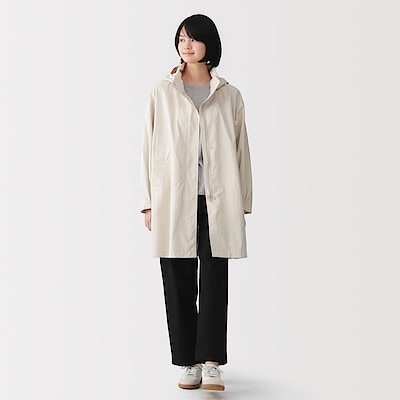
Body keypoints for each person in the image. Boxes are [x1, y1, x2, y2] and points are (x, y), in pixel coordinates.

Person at [139, 14, 252, 391]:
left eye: (193, 39)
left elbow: (241, 150)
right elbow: (148, 148)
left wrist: (243, 203)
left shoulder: (229, 94)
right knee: (177, 277)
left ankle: (211, 362)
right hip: (173, 199)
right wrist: (147, 202)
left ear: (209, 44)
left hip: (219, 200)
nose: (186, 45)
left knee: (216, 279)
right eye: (181, 39)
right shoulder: (163, 91)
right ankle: (187, 363)